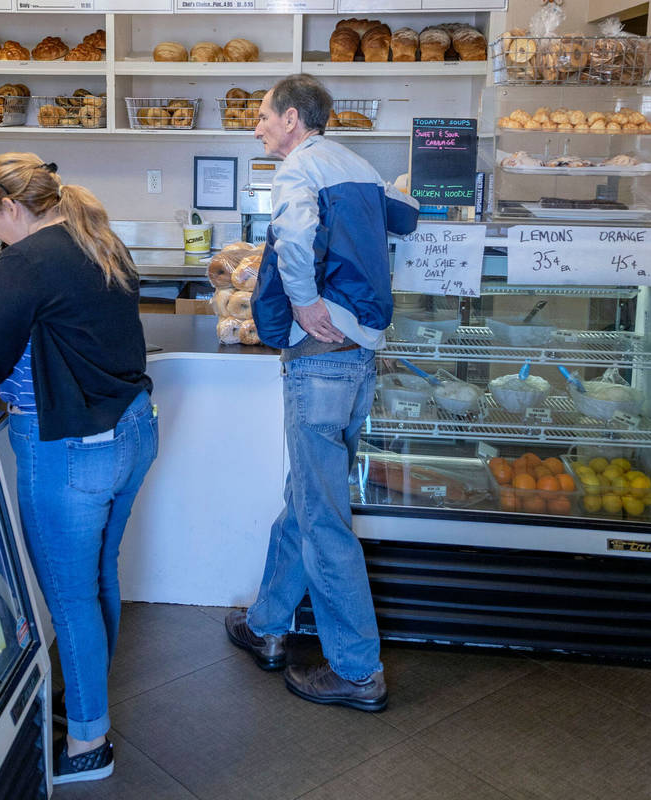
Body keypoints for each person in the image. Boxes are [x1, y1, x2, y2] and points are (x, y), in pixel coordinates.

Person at [224, 74, 419, 712]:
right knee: (307, 497)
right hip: (360, 360)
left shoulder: (299, 170)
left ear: (292, 119)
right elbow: (409, 219)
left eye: (263, 116)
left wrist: (304, 304)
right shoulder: (359, 165)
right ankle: (268, 627)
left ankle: (358, 671)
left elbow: (297, 241)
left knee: (325, 518)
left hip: (321, 360)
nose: (258, 126)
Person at [0, 153, 158, 784]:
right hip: (133, 429)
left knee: (70, 598)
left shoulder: (23, 260)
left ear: (12, 207)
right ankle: (86, 700)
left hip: (71, 447)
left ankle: (89, 746)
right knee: (99, 576)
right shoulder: (96, 237)